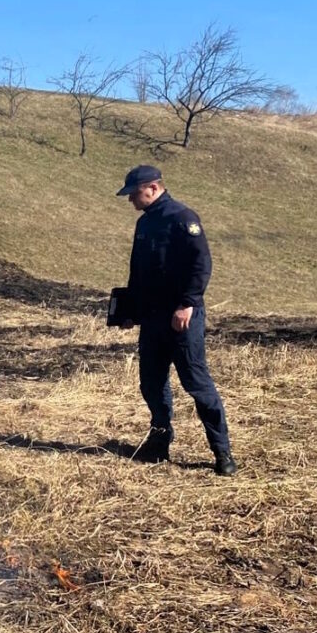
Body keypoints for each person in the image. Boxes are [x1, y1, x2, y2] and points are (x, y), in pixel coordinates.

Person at [116, 165, 237, 476]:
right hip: (152, 320)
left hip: (182, 319)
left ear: (153, 188)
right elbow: (138, 272)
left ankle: (222, 453)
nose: (131, 199)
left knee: (197, 385)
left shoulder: (183, 218)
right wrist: (130, 310)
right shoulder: (144, 225)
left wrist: (187, 304)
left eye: (134, 193)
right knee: (152, 384)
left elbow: (201, 265)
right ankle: (159, 443)